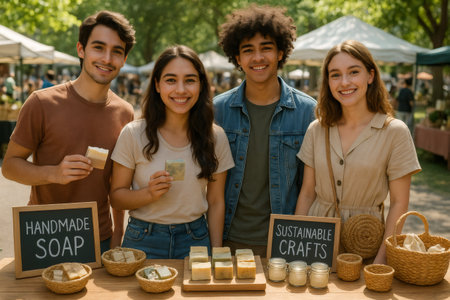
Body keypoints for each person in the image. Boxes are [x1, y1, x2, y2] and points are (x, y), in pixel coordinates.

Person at [2, 10, 136, 253]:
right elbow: (9, 166)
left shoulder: (125, 113)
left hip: (100, 238)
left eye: (117, 51)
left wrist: (118, 232)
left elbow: (118, 181)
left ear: (124, 59)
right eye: (98, 47)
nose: (107, 58)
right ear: (81, 50)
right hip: (44, 238)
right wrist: (54, 173)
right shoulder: (41, 103)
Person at [295, 40, 421, 264]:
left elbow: (400, 204)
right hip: (314, 244)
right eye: (335, 75)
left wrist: (381, 260)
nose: (345, 82)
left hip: (366, 244)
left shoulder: (394, 132)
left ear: (370, 76)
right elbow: (307, 193)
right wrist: (295, 251)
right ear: (328, 81)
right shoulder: (317, 129)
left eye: (354, 72)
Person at [109, 45, 234, 259]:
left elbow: (215, 202)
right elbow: (116, 198)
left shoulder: (216, 137)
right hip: (142, 239)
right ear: (157, 84)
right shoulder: (133, 133)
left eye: (190, 80)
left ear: (201, 85)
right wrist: (147, 194)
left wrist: (216, 254)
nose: (181, 89)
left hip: (196, 240)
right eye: (170, 80)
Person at [213, 4, 316, 256]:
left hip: (283, 243)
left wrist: (296, 242)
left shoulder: (307, 112)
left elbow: (309, 188)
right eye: (248, 50)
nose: (257, 58)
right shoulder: (217, 110)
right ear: (237, 58)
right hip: (227, 238)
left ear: (281, 52)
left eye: (266, 48)